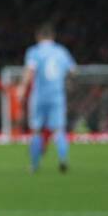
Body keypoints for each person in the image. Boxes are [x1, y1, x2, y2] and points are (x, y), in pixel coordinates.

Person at [22, 22, 76, 173]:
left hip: (39, 97)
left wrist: (22, 88)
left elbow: (29, 71)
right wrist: (67, 81)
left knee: (37, 131)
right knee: (59, 130)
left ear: (38, 37)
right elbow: (72, 71)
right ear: (53, 37)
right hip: (57, 96)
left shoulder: (34, 51)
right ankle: (63, 160)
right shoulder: (61, 51)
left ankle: (34, 166)